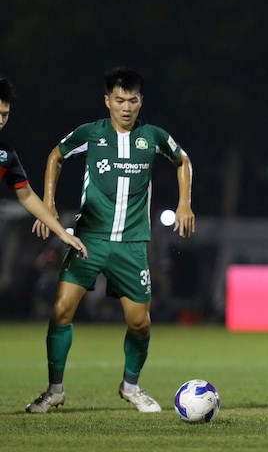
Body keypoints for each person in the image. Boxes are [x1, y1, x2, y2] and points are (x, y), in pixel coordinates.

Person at [25, 67, 195, 414]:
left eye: (133, 100)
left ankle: (130, 386)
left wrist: (184, 203)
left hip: (131, 245)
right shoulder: (92, 133)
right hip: (88, 240)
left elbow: (183, 160)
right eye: (119, 100)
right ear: (107, 101)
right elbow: (55, 156)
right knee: (60, 310)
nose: (126, 107)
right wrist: (49, 203)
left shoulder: (153, 136)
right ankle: (55, 390)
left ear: (141, 101)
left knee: (139, 323)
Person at [0, 76, 87, 255]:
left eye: (5, 114)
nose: (1, 119)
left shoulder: (5, 155)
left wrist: (62, 233)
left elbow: (26, 196)